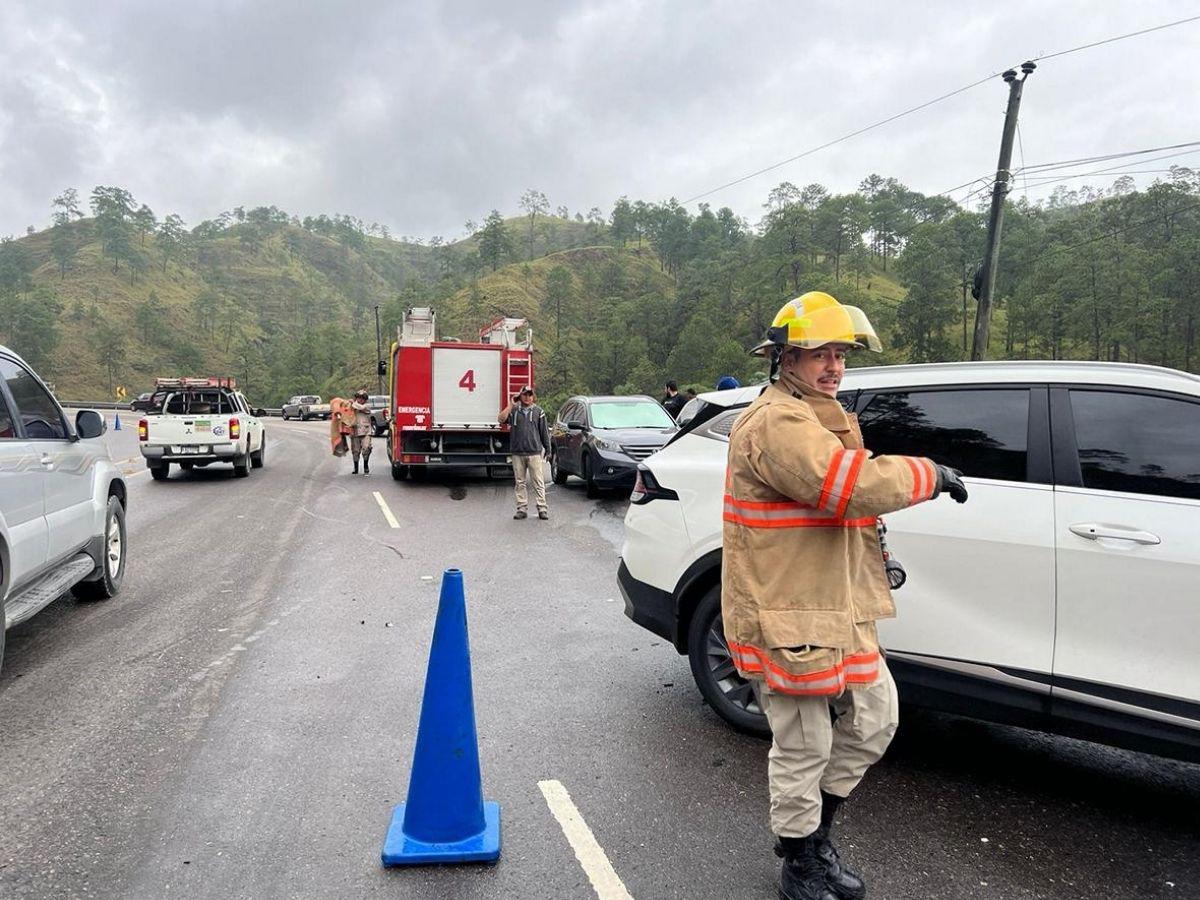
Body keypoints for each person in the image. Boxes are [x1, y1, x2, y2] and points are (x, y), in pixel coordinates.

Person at [722, 291, 969, 900]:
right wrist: (928, 473)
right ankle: (801, 860)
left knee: (876, 719)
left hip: (838, 607)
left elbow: (842, 516)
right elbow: (844, 487)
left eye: (839, 354)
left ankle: (809, 833)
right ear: (783, 360)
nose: (832, 366)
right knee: (805, 743)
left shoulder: (819, 414)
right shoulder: (779, 422)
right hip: (789, 615)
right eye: (816, 354)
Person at [498, 386, 551, 519]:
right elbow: (500, 419)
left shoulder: (539, 412)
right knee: (520, 482)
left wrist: (548, 449)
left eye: (530, 395)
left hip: (534, 452)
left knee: (538, 482)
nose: (527, 397)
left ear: (533, 396)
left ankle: (542, 508)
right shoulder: (514, 411)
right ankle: (522, 508)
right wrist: (511, 404)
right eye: (525, 395)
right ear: (520, 396)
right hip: (517, 452)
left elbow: (544, 432)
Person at [349, 389, 374, 474]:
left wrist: (353, 403)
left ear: (365, 399)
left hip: (366, 431)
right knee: (355, 451)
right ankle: (355, 468)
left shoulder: (367, 406)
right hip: (355, 430)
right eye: (358, 398)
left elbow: (360, 407)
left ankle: (366, 466)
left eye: (362, 398)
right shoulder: (352, 406)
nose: (360, 400)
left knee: (366, 448)